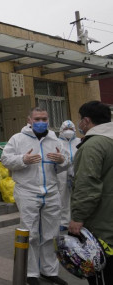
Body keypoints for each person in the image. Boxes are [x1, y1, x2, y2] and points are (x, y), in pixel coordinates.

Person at [1, 107, 69, 285]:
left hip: (51, 191)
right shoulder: (18, 139)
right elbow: (5, 159)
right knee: (30, 234)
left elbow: (66, 162)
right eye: (37, 119)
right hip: (27, 191)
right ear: (29, 120)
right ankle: (31, 273)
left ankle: (49, 271)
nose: (41, 122)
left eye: (44, 119)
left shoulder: (55, 139)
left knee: (51, 233)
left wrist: (62, 161)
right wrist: (23, 159)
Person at [68, 101, 113, 285]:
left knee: (102, 275)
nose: (79, 124)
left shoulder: (93, 145)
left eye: (80, 119)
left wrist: (77, 217)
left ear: (86, 121)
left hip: (102, 227)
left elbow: (87, 186)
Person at [57, 120, 81, 230]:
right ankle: (63, 222)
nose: (68, 131)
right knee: (63, 197)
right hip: (61, 172)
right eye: (66, 129)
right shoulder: (57, 142)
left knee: (77, 197)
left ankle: (77, 219)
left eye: (70, 129)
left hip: (76, 171)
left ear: (75, 130)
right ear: (61, 130)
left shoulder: (79, 141)